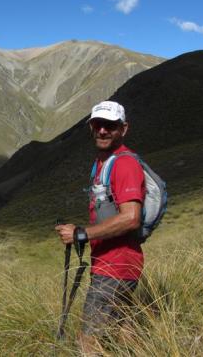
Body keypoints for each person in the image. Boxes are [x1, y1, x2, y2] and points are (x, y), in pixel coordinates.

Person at [55, 100, 145, 353]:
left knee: (88, 342)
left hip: (116, 267)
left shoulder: (125, 164)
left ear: (123, 129)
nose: (102, 131)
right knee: (125, 333)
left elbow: (131, 218)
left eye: (110, 125)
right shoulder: (103, 162)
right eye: (97, 125)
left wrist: (80, 234)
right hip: (114, 265)